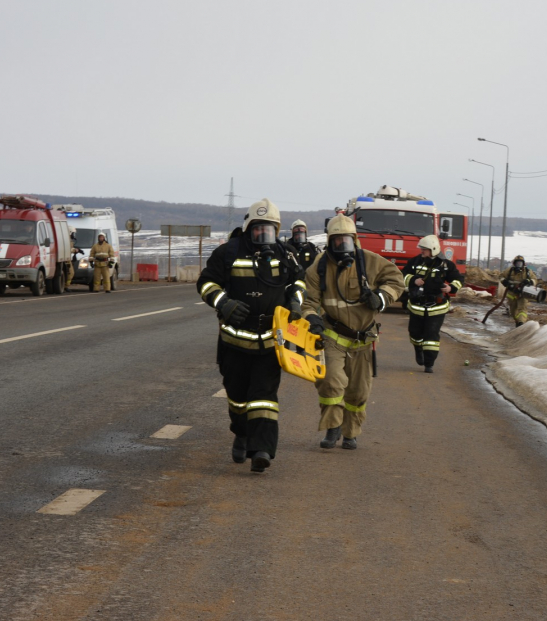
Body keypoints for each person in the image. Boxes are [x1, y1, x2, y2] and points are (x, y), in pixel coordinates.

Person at [196, 198, 305, 472]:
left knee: (264, 396)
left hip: (270, 341)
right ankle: (241, 434)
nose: (262, 234)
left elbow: (298, 281)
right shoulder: (228, 252)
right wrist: (224, 303)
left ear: (276, 229)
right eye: (257, 228)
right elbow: (206, 282)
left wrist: (296, 301)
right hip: (234, 341)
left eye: (268, 229)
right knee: (238, 397)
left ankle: (262, 451)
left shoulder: (286, 253)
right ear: (248, 227)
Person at [301, 215, 404, 450]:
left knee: (358, 392)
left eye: (346, 241)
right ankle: (333, 426)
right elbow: (309, 303)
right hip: (333, 335)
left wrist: (380, 297)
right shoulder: (318, 266)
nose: (341, 246)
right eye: (337, 241)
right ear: (329, 241)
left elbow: (396, 280)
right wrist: (312, 318)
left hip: (363, 339)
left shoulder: (370, 261)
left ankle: (350, 433)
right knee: (330, 382)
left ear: (354, 240)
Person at [402, 235, 464, 373]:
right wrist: (413, 280)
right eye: (421, 248)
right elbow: (402, 275)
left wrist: (450, 288)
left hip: (437, 307)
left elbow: (458, 279)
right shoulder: (414, 262)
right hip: (416, 306)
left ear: (433, 249)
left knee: (431, 335)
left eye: (424, 249)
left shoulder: (446, 265)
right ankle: (418, 349)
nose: (421, 251)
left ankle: (429, 363)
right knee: (415, 333)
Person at [501, 255, 538, 326]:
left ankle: (521, 323)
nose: (519, 265)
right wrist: (505, 282)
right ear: (514, 264)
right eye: (517, 263)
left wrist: (529, 282)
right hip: (511, 293)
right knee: (513, 311)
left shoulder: (528, 272)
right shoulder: (509, 271)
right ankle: (517, 321)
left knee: (522, 309)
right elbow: (501, 276)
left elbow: (535, 279)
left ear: (523, 264)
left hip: (523, 294)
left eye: (520, 263)